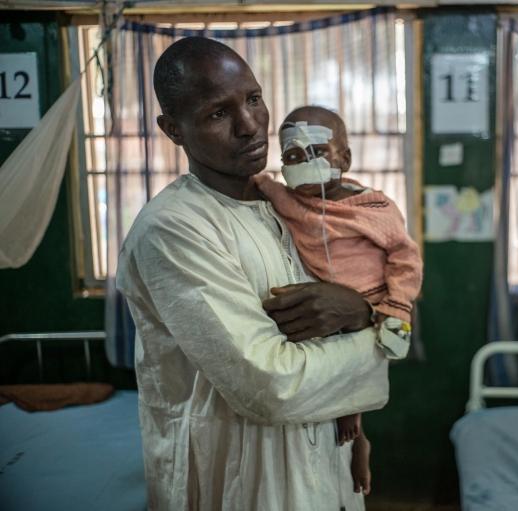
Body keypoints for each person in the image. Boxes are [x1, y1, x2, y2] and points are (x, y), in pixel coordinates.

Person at [116, 36, 408, 511]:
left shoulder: (290, 206)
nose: (249, 126)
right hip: (239, 475)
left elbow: (341, 312)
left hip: (326, 451)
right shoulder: (173, 229)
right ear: (172, 128)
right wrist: (376, 332)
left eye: (253, 99)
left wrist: (354, 429)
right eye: (217, 114)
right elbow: (269, 385)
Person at [250, 106, 423, 496]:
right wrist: (257, 181)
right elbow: (268, 187)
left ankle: (357, 431)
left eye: (317, 151)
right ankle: (356, 434)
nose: (303, 163)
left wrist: (397, 306)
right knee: (327, 356)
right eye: (292, 156)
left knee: (361, 359)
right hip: (322, 301)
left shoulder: (372, 208)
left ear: (344, 158)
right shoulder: (291, 201)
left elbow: (404, 256)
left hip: (375, 300)